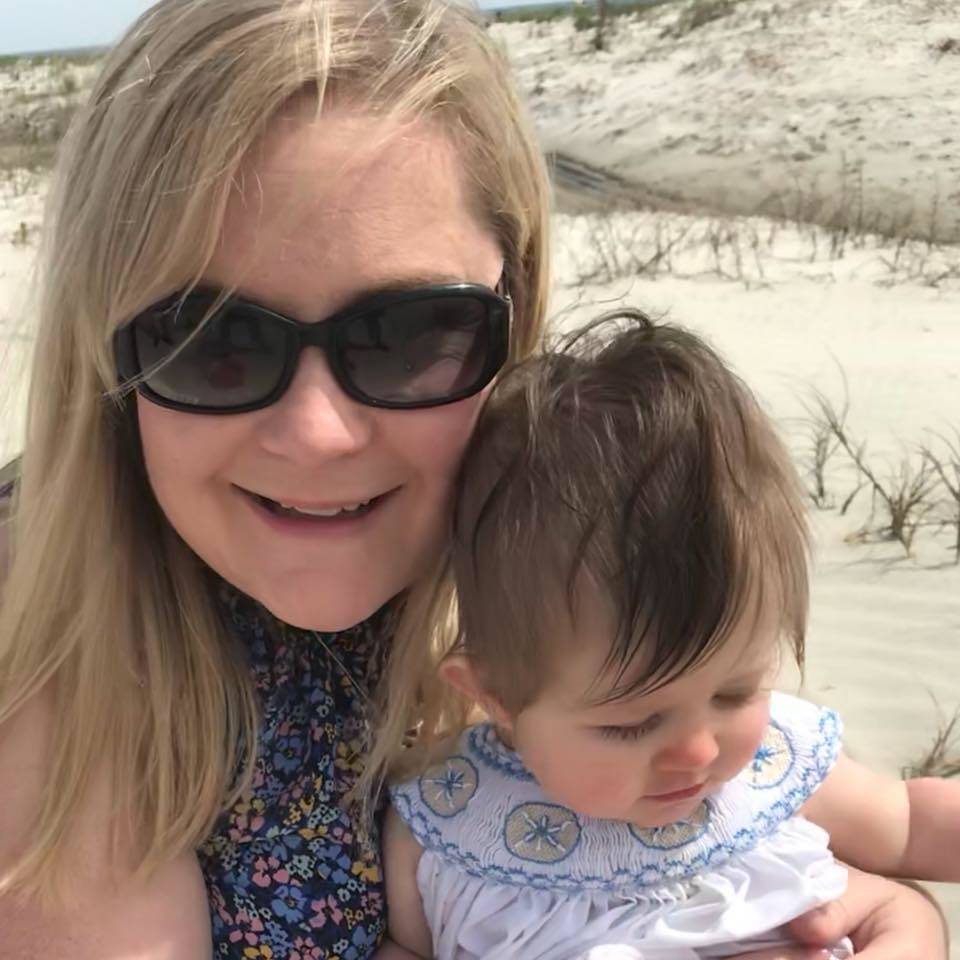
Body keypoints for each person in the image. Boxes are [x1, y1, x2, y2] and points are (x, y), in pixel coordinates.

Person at [0, 0, 948, 957]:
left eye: (412, 333)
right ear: (102, 362)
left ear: (515, 310)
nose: (318, 432)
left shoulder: (568, 567)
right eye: (210, 343)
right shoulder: (56, 687)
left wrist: (893, 917)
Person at [383, 315, 960, 959]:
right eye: (631, 724)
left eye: (734, 693)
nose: (695, 751)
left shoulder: (771, 770)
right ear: (496, 695)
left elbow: (910, 822)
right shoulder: (446, 824)